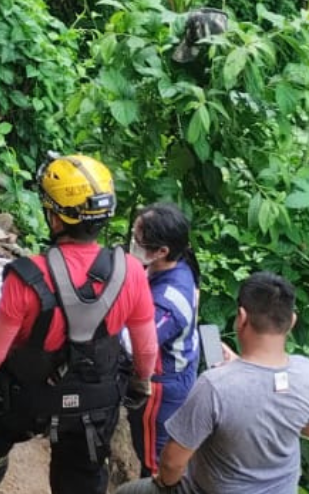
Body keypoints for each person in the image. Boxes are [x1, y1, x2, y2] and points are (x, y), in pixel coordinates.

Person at [0, 153, 158, 494]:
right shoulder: (132, 272)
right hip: (95, 399)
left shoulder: (28, 278)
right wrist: (140, 383)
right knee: (82, 475)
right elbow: (146, 348)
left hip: (24, 397)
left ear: (56, 217)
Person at [115, 271, 309, 494]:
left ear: (241, 318)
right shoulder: (308, 372)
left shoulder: (215, 386)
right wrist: (242, 369)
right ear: (292, 321)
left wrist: (165, 484)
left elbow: (171, 463)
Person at [127, 202, 202, 477]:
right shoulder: (178, 263)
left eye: (137, 240)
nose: (132, 244)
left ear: (161, 251)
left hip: (162, 382)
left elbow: (136, 343)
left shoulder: (168, 301)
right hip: (177, 365)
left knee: (155, 461)